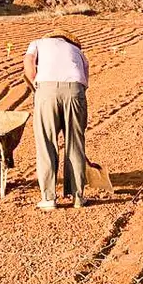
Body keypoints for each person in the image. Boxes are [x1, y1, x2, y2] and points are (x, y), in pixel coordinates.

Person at [23, 29, 89, 210]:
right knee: (75, 143)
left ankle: (49, 198)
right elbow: (85, 79)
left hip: (46, 91)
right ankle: (77, 197)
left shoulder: (38, 42)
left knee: (46, 143)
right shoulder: (77, 51)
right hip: (75, 90)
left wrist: (35, 83)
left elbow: (28, 61)